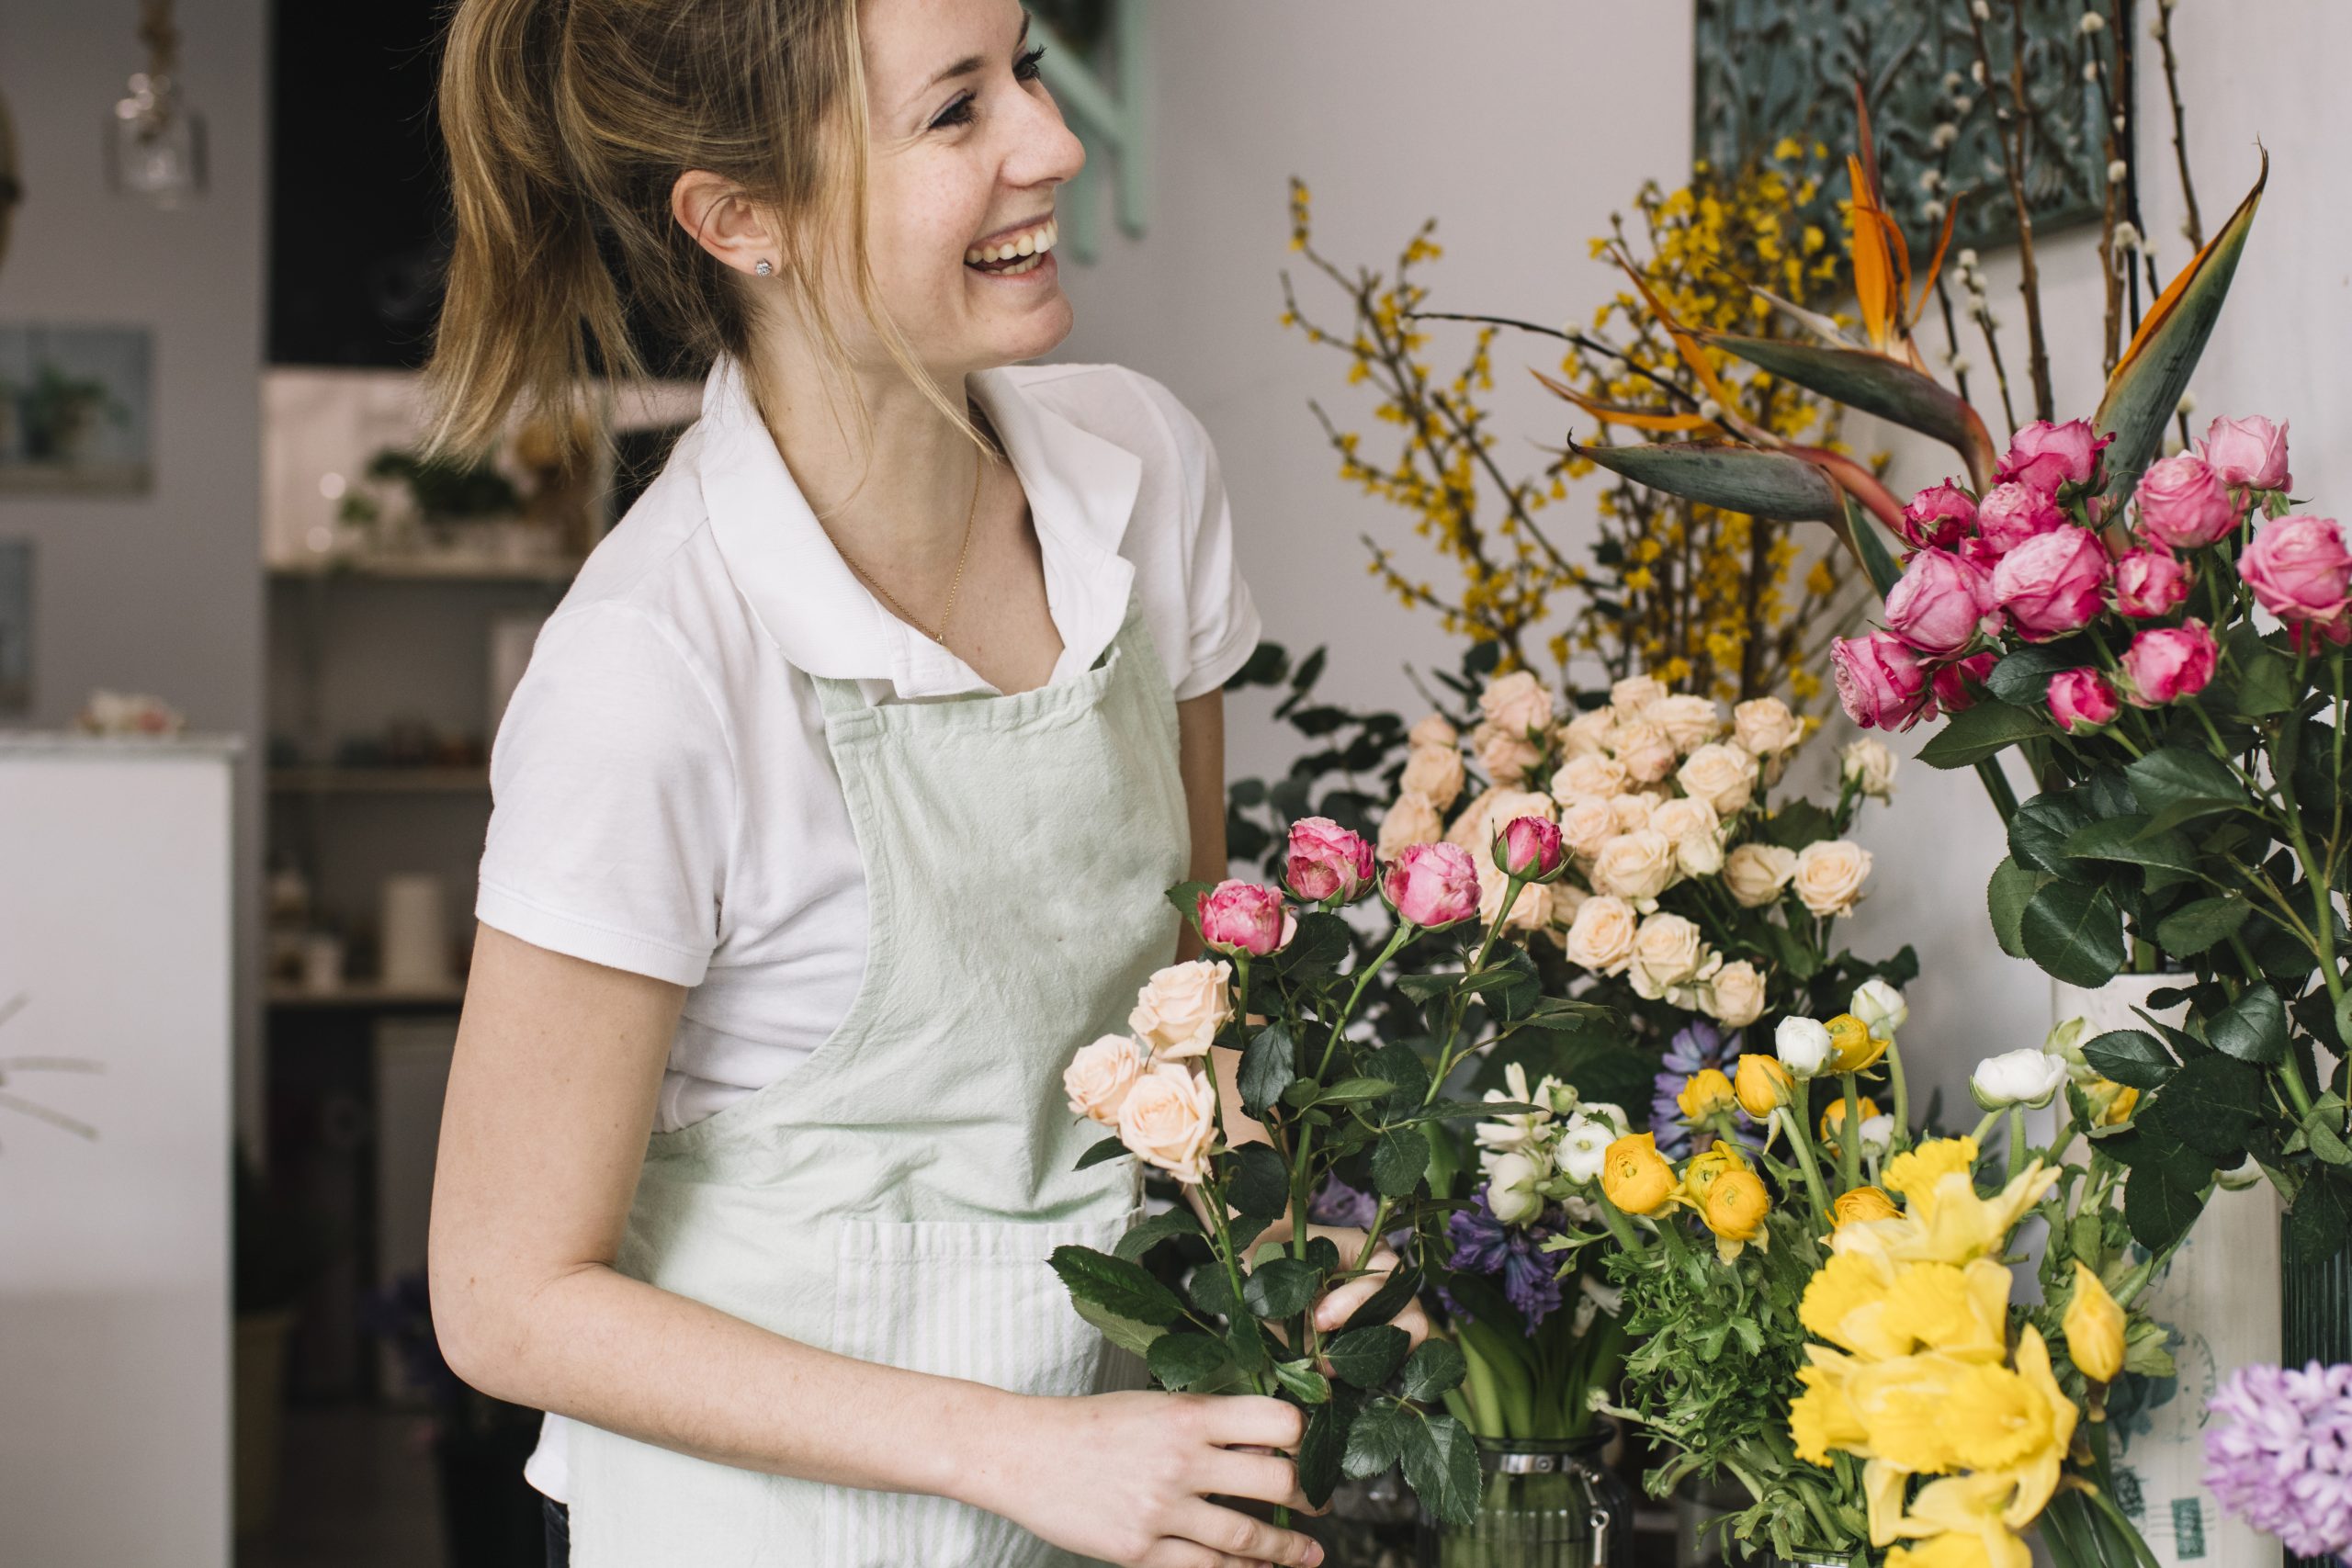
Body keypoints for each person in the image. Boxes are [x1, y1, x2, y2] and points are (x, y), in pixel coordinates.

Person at [421, 2, 1424, 1565]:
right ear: (739, 217)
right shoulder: (652, 669)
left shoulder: (1139, 480)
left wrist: (1284, 1240)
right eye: (956, 111)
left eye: (1021, 65)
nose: (1054, 140)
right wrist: (1018, 1452)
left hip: (1114, 1503)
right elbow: (502, 1297)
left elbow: (1185, 1004)